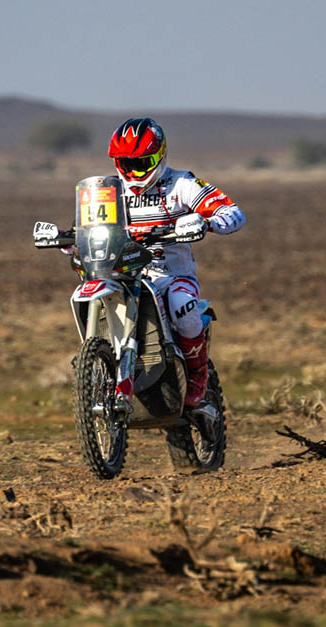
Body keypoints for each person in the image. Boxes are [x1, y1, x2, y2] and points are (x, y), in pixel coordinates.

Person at [102, 117, 246, 418]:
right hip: (122, 273)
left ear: (159, 156)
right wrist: (70, 236)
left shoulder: (181, 183)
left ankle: (198, 378)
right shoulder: (109, 190)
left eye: (142, 163)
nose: (134, 171)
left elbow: (232, 212)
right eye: (126, 163)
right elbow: (90, 224)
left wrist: (207, 222)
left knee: (183, 305)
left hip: (171, 275)